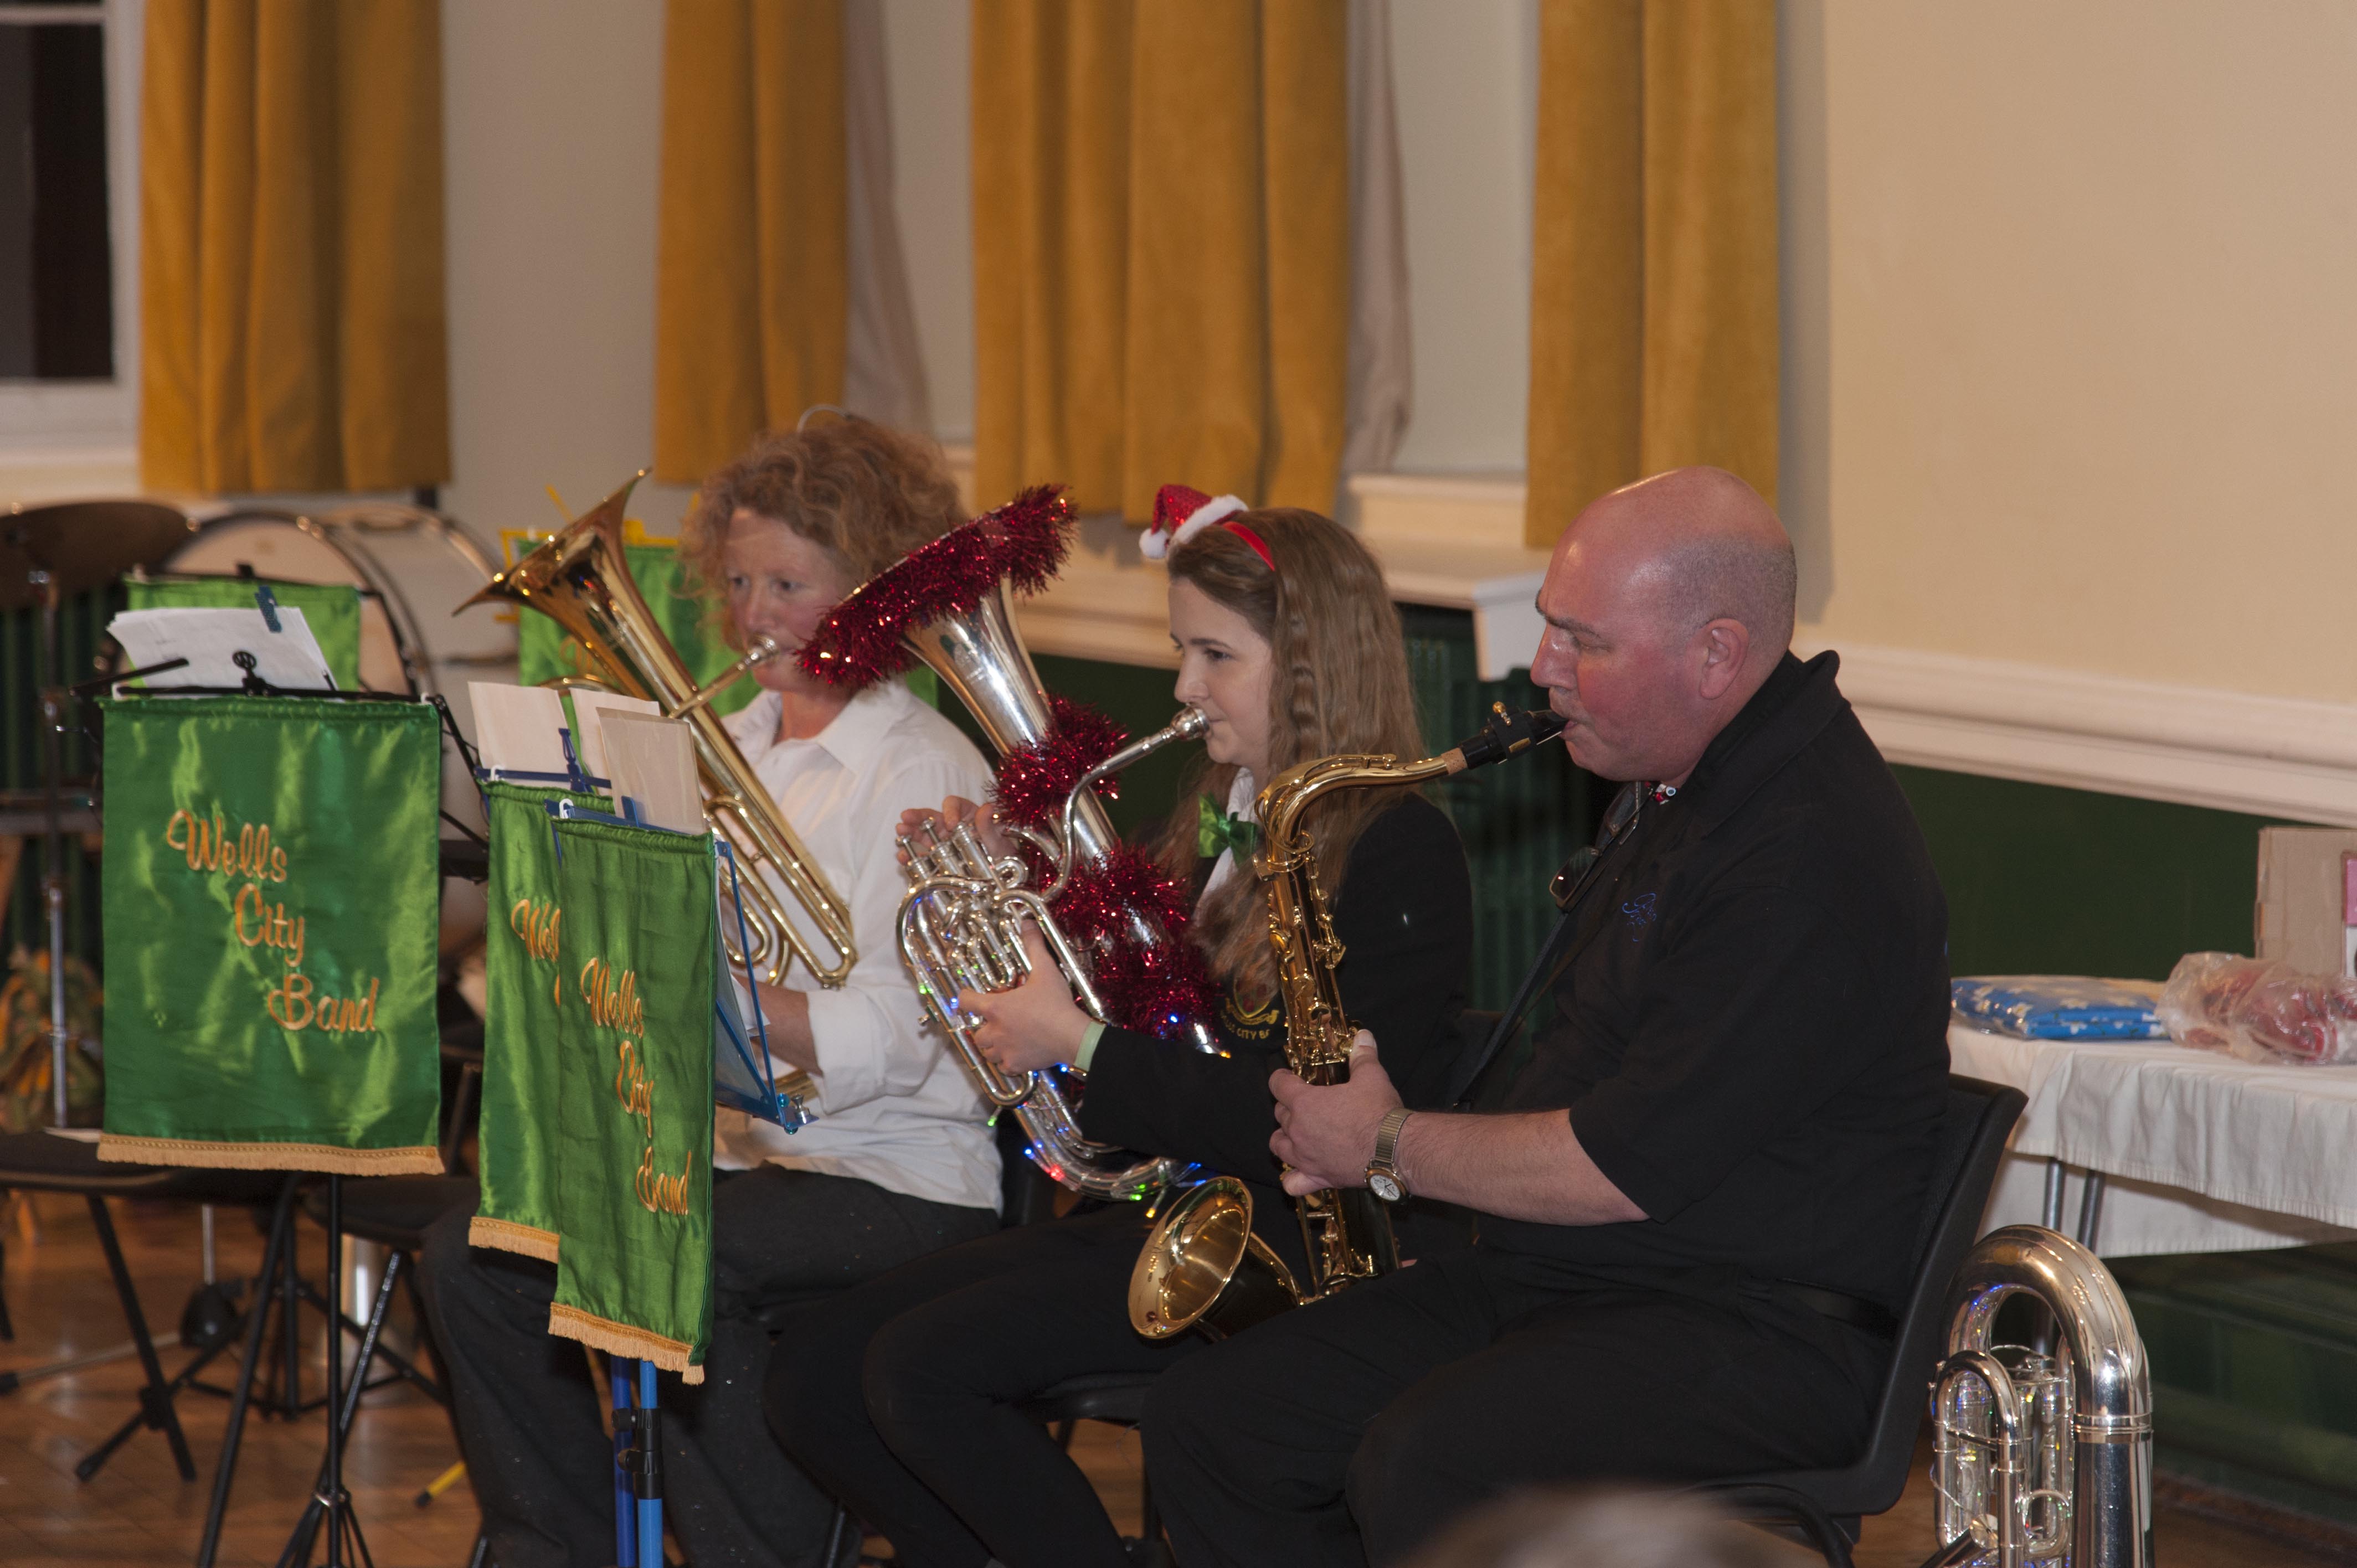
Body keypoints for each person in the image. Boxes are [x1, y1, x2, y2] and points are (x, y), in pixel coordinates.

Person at [1141, 467, 1953, 1566]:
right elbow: (1587, 1069)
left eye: (1584, 641)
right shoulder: (1682, 783)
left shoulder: (1805, 854)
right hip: (1594, 1278)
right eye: (1549, 627)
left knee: (1427, 1461)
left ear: (1715, 656)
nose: (1542, 667)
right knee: (1220, 1419)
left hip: (1759, 1323)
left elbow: (1621, 1164)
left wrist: (1384, 1143)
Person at [760, 493, 1478, 1568]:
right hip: (1177, 1201)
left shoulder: (1399, 852)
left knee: (917, 1372)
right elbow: (1153, 1016)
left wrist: (1076, 1044)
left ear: (1314, 666)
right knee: (815, 1375)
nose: (1184, 686)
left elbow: (1303, 1115)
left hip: (1292, 1243)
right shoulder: (1213, 818)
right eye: (1182, 651)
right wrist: (1012, 903)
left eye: (1215, 656)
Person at [419, 420, 1002, 1568]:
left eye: (788, 585)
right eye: (737, 584)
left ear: (874, 592)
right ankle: (559, 1548)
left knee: (678, 1261)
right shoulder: (716, 746)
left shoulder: (923, 769)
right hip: (732, 1157)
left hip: (896, 1175)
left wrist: (712, 992)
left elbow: (915, 1036)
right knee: (469, 1258)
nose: (753, 616)